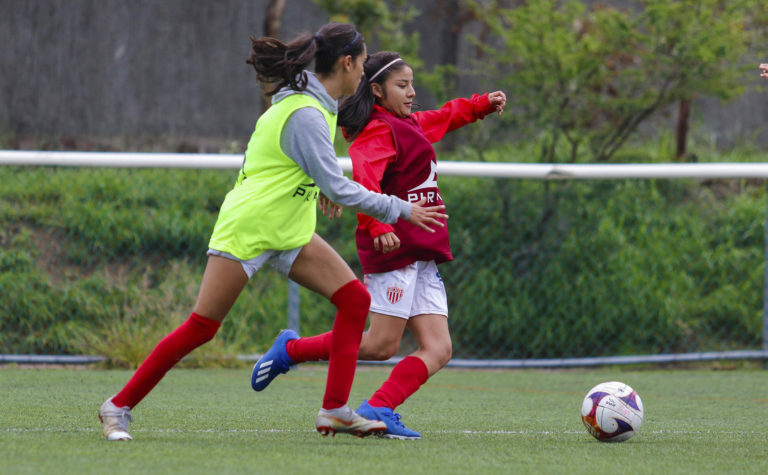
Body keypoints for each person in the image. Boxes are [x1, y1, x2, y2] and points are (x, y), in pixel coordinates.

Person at [98, 24, 449, 441]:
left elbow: (302, 166)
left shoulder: (320, 104)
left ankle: (335, 409)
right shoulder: (304, 110)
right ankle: (116, 407)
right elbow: (337, 183)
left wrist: (320, 185)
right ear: (346, 63)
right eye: (362, 61)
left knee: (355, 300)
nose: (364, 72)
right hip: (251, 227)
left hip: (290, 230)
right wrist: (401, 209)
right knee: (202, 327)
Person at [250, 51, 506, 439]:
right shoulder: (377, 129)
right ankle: (292, 350)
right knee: (380, 344)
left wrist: (479, 106)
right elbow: (364, 175)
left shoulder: (409, 124)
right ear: (377, 90)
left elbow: (444, 117)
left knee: (438, 349)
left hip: (422, 252)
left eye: (412, 84)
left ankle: (380, 407)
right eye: (402, 85)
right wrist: (375, 223)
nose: (411, 92)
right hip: (394, 248)